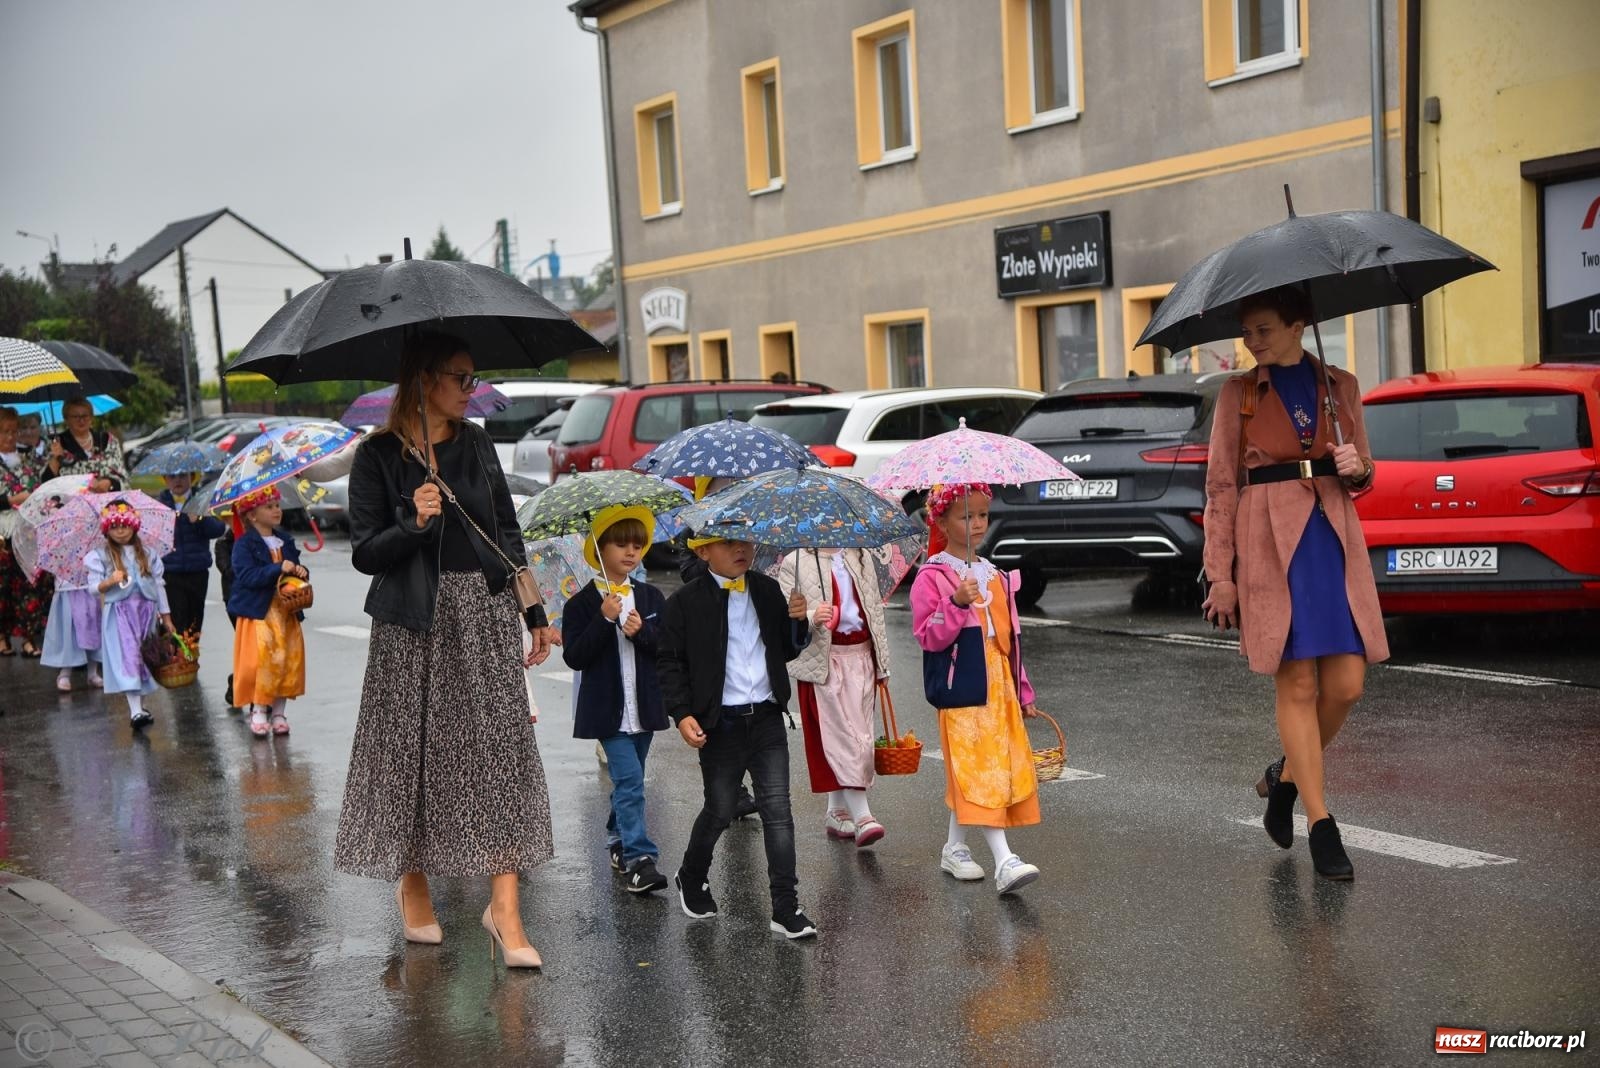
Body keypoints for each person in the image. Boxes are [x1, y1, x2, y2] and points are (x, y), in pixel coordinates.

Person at [334, 331, 555, 969]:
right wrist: (415, 521)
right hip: (413, 623)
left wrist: (533, 609)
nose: (471, 389)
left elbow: (506, 529)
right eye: (461, 377)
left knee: (499, 753)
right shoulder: (377, 456)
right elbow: (365, 551)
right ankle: (413, 885)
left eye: (473, 376)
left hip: (483, 613)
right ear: (425, 379)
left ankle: (505, 910)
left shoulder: (479, 442)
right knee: (414, 753)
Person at [1200, 286, 1388, 882]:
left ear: (1299, 324)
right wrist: (1220, 574)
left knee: (1348, 684)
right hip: (1267, 542)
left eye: (1263, 331)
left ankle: (1283, 782)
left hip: (1331, 535)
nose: (1252, 343)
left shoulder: (1342, 386)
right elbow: (1221, 488)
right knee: (1299, 679)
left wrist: (1360, 469)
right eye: (1247, 333)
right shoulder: (1239, 393)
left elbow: (1364, 471)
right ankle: (1321, 823)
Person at [658, 533, 818, 939]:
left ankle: (785, 906)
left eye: (744, 541)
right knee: (721, 807)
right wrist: (681, 714)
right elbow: (670, 663)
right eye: (727, 543)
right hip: (720, 723)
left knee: (778, 811)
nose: (741, 550)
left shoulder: (767, 590)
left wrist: (798, 623)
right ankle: (691, 875)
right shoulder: (686, 602)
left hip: (765, 717)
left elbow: (785, 649)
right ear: (703, 551)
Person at [911, 483, 1045, 897]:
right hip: (963, 684)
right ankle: (1004, 859)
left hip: (997, 685)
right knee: (978, 768)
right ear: (941, 521)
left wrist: (1022, 689)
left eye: (983, 514)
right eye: (966, 516)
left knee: (992, 767)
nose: (977, 524)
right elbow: (927, 636)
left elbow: (1010, 638)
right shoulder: (932, 576)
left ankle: (954, 847)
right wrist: (955, 602)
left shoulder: (994, 574)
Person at [562, 505, 670, 894]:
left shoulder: (651, 596)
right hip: (608, 713)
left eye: (638, 546)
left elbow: (668, 648)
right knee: (630, 782)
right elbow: (575, 656)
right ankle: (640, 858)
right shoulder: (581, 604)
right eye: (621, 544)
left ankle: (615, 836)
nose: (631, 553)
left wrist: (641, 632)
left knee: (631, 781)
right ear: (599, 548)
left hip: (644, 710)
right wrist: (604, 619)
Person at [777, 547, 892, 848]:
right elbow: (785, 614)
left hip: (862, 656)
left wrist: (882, 663)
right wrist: (813, 615)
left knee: (860, 733)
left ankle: (836, 809)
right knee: (843, 737)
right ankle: (863, 814)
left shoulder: (860, 554)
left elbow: (874, 612)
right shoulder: (796, 561)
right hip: (826, 661)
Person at [227, 486, 308, 739]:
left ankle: (279, 713)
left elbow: (294, 569)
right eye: (269, 506)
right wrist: (277, 568)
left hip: (285, 612)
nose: (277, 510)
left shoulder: (286, 540)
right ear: (252, 515)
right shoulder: (244, 545)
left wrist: (301, 571)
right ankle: (259, 710)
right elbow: (246, 576)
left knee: (288, 660)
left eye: (277, 505)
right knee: (262, 662)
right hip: (260, 615)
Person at [88, 499, 173, 730]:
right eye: (114, 526)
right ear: (107, 529)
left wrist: (166, 618)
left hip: (146, 613)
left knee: (144, 658)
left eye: (124, 525)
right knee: (129, 658)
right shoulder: (102, 556)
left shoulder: (148, 554)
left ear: (134, 525)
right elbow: (93, 588)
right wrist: (109, 581)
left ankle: (140, 708)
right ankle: (135, 710)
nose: (120, 530)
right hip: (120, 614)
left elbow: (158, 585)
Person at [0, 407, 50, 658]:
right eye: (4, 431)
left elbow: (44, 482)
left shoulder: (28, 456)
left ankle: (30, 637)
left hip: (28, 530)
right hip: (2, 533)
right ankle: (1, 637)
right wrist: (9, 500)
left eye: (13, 431)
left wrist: (54, 461)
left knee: (30, 584)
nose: (10, 436)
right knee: (3, 587)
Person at [157, 473, 226, 641]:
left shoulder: (202, 499)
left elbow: (218, 529)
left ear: (192, 478)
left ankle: (191, 661)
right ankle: (177, 661)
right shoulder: (160, 504)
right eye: (172, 477)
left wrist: (201, 519)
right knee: (175, 620)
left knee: (194, 620)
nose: (177, 480)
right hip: (170, 571)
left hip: (197, 570)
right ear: (165, 480)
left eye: (182, 476)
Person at [45, 397, 127, 492]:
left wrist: (109, 482)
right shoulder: (56, 443)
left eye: (85, 416)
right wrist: (55, 458)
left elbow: (121, 476)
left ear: (91, 417)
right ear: (66, 419)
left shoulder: (107, 440)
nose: (81, 420)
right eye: (75, 417)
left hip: (106, 500)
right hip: (71, 502)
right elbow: (46, 483)